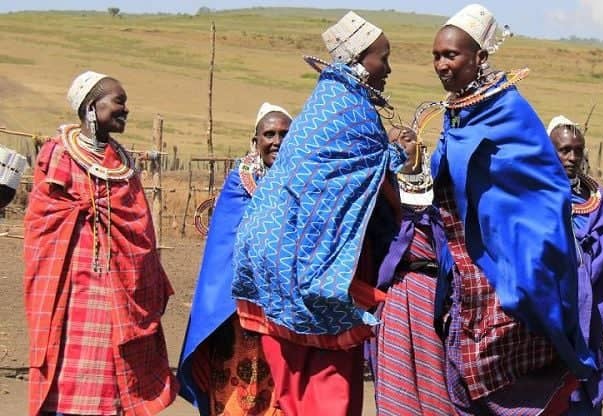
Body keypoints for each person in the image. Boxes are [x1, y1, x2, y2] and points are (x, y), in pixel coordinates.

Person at [426, 4, 596, 414]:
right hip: (471, 270)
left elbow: (543, 187)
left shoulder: (508, 110)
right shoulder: (459, 113)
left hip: (513, 262)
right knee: (467, 377)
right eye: (436, 56)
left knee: (514, 370)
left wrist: (530, 260)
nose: (442, 65)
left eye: (452, 55)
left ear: (480, 57)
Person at [231, 11, 401, 416]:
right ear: (360, 61)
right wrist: (400, 155)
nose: (389, 68)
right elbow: (371, 175)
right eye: (383, 57)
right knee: (330, 384)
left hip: (279, 261)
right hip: (318, 267)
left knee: (297, 387)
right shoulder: (350, 112)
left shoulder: (325, 103)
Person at [23, 71, 177, 415]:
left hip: (121, 289)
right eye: (119, 102)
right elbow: (43, 219)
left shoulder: (123, 163)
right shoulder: (59, 154)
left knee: (113, 382)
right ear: (93, 106)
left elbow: (140, 228)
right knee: (71, 373)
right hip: (73, 288)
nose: (126, 110)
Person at [177, 103, 292, 416]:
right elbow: (221, 254)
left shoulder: (304, 184)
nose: (277, 141)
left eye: (285, 133)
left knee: (280, 399)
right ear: (255, 141)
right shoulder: (238, 184)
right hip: (235, 317)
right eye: (269, 134)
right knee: (234, 398)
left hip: (284, 319)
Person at [371, 127, 452, 415]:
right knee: (398, 374)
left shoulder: (442, 186)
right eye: (395, 140)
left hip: (436, 297)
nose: (404, 141)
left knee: (439, 379)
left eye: (409, 136)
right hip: (397, 296)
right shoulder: (381, 191)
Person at [548, 115, 603, 415]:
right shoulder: (536, 194)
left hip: (588, 306)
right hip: (548, 308)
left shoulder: (596, 200)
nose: (572, 157)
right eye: (564, 150)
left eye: (577, 150)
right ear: (548, 149)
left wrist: (580, 269)